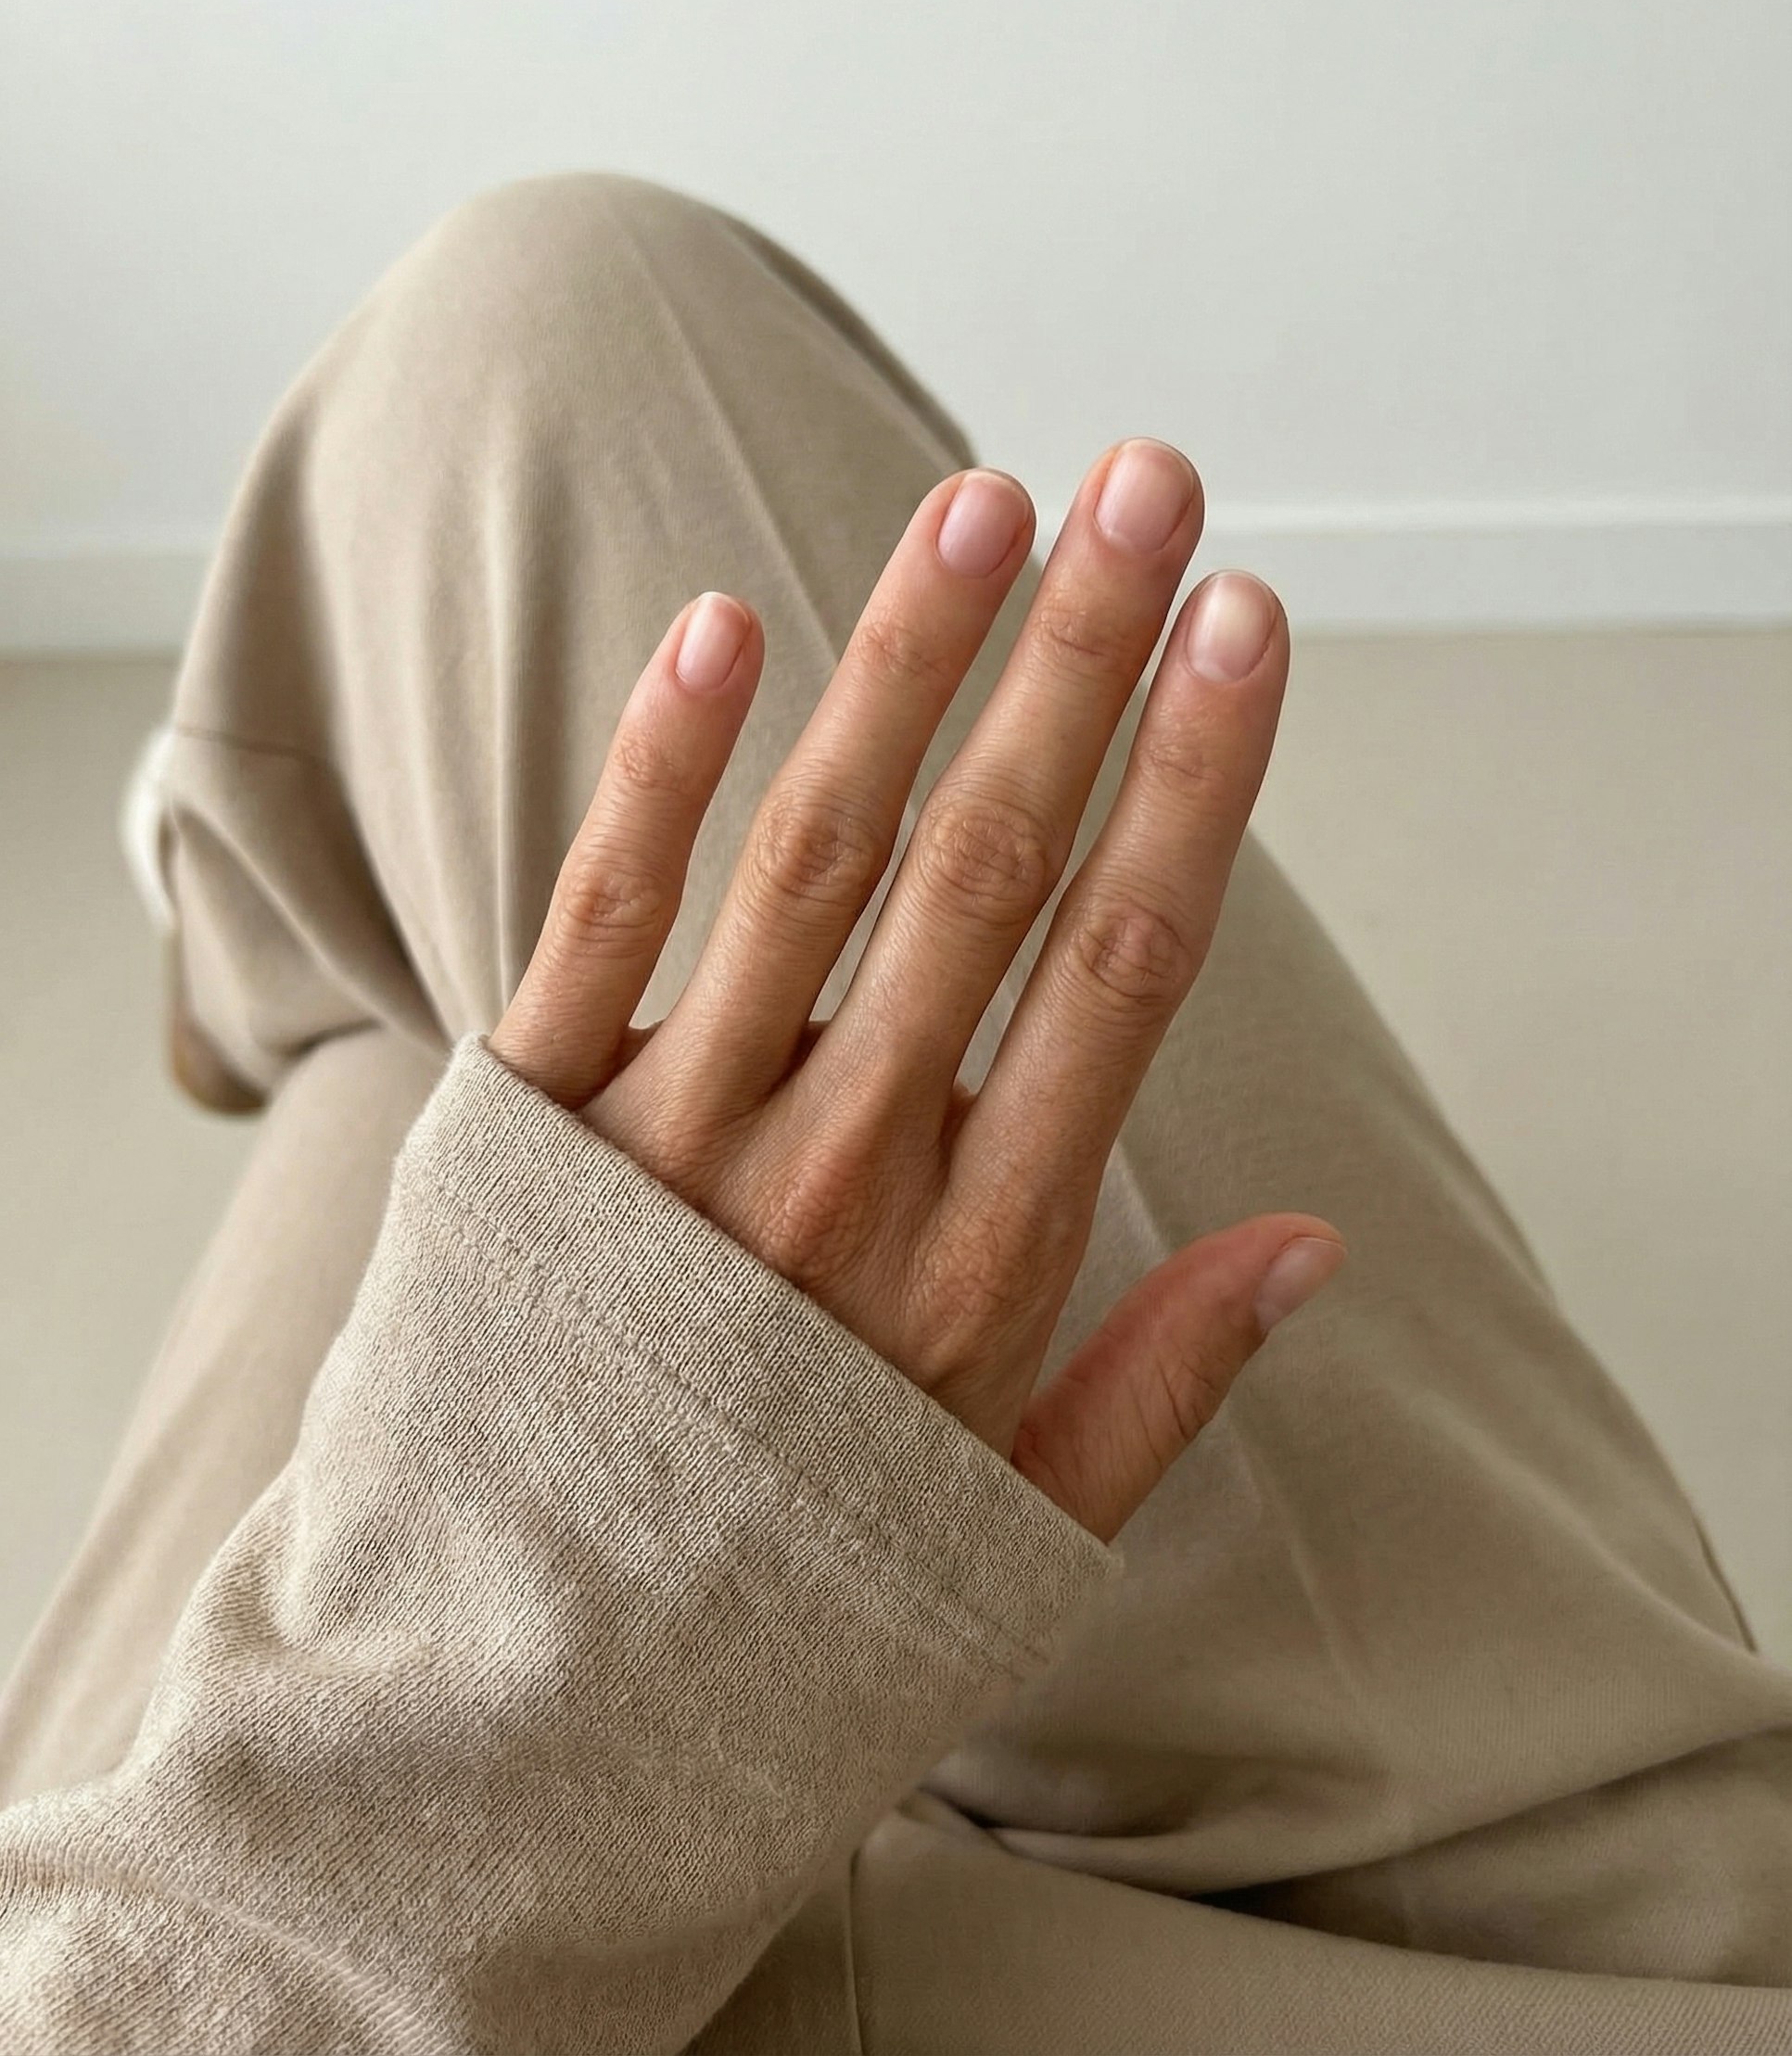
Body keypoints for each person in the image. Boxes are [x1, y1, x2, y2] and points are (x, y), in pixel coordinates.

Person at [0, 171, 1786, 2054]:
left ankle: (275, 912)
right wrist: (624, 1554)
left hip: (168, 1948)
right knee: (567, 324)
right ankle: (289, 877)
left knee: (442, 1057)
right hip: (1508, 1967)